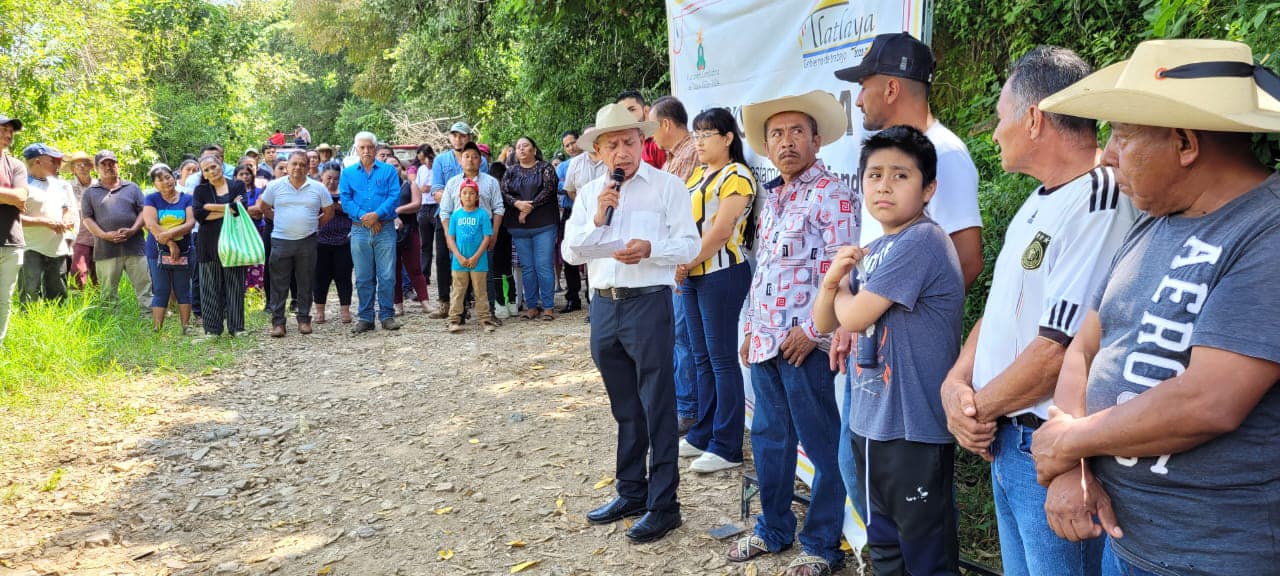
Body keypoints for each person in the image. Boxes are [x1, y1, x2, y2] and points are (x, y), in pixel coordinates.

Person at [1025, 39, 1280, 576]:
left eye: (1121, 133)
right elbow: (1086, 345)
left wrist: (1070, 441)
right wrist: (1072, 464)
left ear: (1186, 143)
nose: (1108, 153)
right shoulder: (1152, 218)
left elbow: (1210, 400)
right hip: (1131, 544)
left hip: (1218, 557)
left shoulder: (1267, 233)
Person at [941, 46, 1139, 576]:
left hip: (1048, 451)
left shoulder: (1099, 200)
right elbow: (1002, 308)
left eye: (1002, 119)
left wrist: (975, 410)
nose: (995, 132)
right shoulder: (1039, 199)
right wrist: (957, 382)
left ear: (1033, 118)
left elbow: (1062, 350)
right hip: (1008, 441)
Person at [812, 125, 965, 576]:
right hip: (872, 424)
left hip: (913, 427)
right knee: (886, 548)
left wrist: (838, 289)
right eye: (874, 174)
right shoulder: (876, 247)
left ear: (928, 188)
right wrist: (832, 285)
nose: (884, 185)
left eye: (901, 175)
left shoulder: (923, 241)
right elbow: (825, 323)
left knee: (925, 556)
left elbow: (853, 317)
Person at [730, 91, 856, 576]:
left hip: (805, 345)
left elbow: (842, 273)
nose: (787, 142)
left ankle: (822, 544)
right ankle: (773, 528)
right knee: (768, 441)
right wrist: (750, 327)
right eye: (777, 134)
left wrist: (812, 331)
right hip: (764, 342)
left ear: (817, 139)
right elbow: (767, 272)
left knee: (824, 446)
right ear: (766, 145)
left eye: (797, 132)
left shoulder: (833, 194)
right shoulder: (773, 195)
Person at [563, 102, 699, 544]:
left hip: (648, 304)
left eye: (629, 142)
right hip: (604, 307)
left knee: (658, 406)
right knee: (626, 408)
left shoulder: (667, 187)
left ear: (643, 142)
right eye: (612, 145)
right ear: (598, 151)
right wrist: (600, 217)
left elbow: (688, 246)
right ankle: (631, 492)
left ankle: (665, 506)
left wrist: (650, 250)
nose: (621, 152)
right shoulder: (589, 196)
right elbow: (570, 252)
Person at [834, 32, 983, 287]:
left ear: (891, 89)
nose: (858, 100)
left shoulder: (944, 153)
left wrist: (910, 322)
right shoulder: (884, 152)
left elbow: (967, 260)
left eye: (863, 85)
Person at [671, 108, 755, 474]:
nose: (699, 141)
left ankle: (727, 444)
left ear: (728, 138)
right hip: (693, 273)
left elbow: (721, 231)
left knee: (721, 361)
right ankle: (703, 433)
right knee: (701, 357)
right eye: (697, 134)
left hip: (721, 272)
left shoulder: (736, 176)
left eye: (707, 134)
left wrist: (686, 261)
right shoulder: (697, 175)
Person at [649, 95, 700, 434]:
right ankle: (684, 404)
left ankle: (688, 408)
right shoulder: (672, 159)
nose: (651, 136)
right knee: (679, 336)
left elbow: (690, 216)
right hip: (675, 259)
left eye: (653, 127)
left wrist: (680, 260)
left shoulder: (692, 155)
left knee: (683, 336)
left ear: (666, 124)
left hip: (687, 259)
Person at [256, 152, 333, 337]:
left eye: (302, 164)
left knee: (305, 281)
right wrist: (280, 219)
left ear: (308, 167)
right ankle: (278, 322)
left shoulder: (318, 188)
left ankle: (304, 319)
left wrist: (313, 225)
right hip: (281, 240)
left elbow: (329, 212)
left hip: (307, 240)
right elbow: (264, 207)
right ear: (288, 166)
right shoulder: (275, 186)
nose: (298, 167)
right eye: (294, 164)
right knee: (278, 283)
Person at [340, 131, 402, 333]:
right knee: (363, 276)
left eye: (370, 147)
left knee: (387, 275)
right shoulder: (348, 173)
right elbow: (346, 200)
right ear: (356, 149)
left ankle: (387, 315)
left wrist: (377, 214)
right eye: (362, 147)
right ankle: (365, 317)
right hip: (359, 230)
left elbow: (394, 196)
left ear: (375, 149)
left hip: (384, 229)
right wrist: (365, 218)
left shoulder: (388, 171)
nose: (366, 151)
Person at [439, 142, 505, 320]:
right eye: (466, 156)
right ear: (460, 160)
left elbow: (498, 208)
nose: (471, 160)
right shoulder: (452, 183)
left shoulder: (490, 182)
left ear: (481, 160)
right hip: (459, 237)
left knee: (486, 274)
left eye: (475, 156)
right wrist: (448, 234)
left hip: (484, 236)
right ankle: (459, 313)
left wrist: (495, 232)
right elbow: (445, 211)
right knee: (460, 277)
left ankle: (488, 313)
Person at [429, 122, 489, 315]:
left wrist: (465, 201)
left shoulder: (481, 161)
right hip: (447, 216)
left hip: (473, 218)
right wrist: (455, 197)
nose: (458, 139)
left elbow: (483, 188)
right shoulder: (440, 160)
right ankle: (445, 301)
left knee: (471, 257)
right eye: (454, 135)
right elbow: (436, 190)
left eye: (462, 136)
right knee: (444, 260)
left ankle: (467, 302)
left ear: (469, 138)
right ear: (449, 137)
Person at [82, 150, 151, 307]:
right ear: (96, 168)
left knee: (145, 287)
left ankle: (149, 319)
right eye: (104, 164)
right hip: (106, 249)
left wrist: (133, 229)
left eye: (112, 163)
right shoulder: (90, 193)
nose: (108, 167)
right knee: (108, 292)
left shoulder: (132, 187)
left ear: (117, 165)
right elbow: (87, 218)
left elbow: (143, 211)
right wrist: (104, 235)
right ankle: (111, 323)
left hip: (135, 246)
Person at [502, 136, 560, 320]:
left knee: (543, 265)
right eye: (518, 147)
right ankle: (532, 306)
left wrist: (529, 207)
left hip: (544, 224)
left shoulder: (546, 168)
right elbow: (503, 192)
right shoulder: (510, 171)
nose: (521, 149)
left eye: (525, 145)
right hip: (519, 228)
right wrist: (517, 204)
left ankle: (549, 307)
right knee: (527, 268)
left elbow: (549, 189)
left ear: (534, 150)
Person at [192, 155, 250, 338]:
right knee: (209, 287)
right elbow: (199, 215)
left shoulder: (237, 185)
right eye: (206, 169)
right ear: (204, 173)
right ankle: (212, 330)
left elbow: (241, 210)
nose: (211, 171)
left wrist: (212, 207)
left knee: (235, 286)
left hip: (234, 242)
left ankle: (237, 328)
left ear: (221, 166)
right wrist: (228, 207)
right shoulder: (200, 190)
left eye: (213, 167)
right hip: (208, 243)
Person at [141, 163, 195, 332]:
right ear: (154, 184)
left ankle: (186, 326)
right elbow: (150, 223)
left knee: (183, 288)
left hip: (185, 249)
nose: (165, 182)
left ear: (174, 177)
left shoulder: (187, 198)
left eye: (168, 177)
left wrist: (167, 235)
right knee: (161, 288)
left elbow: (190, 223)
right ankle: (157, 328)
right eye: (160, 180)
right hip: (157, 250)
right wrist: (170, 242)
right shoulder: (151, 199)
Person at [18, 144, 75, 302]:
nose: (57, 165)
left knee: (58, 292)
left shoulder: (59, 185)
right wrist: (44, 222)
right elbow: (14, 218)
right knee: (30, 291)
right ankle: (29, 325)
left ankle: (57, 323)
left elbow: (66, 209)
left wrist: (67, 219)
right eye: (52, 161)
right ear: (37, 162)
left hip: (57, 247)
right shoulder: (21, 185)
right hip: (31, 246)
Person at [445, 178, 496, 333]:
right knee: (458, 291)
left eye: (471, 193)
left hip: (478, 261)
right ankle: (454, 320)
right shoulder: (455, 216)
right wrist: (459, 256)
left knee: (480, 291)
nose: (468, 196)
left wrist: (475, 257)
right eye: (465, 193)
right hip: (459, 261)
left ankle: (485, 320)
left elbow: (487, 237)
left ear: (477, 197)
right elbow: (451, 238)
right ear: (460, 196)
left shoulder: (482, 215)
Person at [387, 155, 430, 315]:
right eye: (389, 166)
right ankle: (398, 304)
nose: (394, 169)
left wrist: (397, 211)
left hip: (409, 229)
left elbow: (417, 204)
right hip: (388, 232)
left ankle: (425, 301)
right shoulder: (381, 188)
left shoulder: (410, 184)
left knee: (415, 268)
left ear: (401, 167)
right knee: (394, 269)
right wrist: (392, 215)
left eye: (396, 165)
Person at [313, 163, 353, 324]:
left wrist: (337, 207)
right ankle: (319, 312)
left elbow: (352, 211)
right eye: (329, 178)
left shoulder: (345, 193)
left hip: (343, 241)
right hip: (320, 240)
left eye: (336, 178)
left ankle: (345, 311)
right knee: (320, 277)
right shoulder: (315, 193)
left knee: (343, 277)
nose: (332, 181)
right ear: (322, 177)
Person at [0, 114, 24, 345]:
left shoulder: (16, 165)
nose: (8, 135)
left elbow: (21, 196)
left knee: (4, 300)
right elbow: (13, 197)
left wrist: (12, 197)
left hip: (11, 241)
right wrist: (10, 197)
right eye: (3, 130)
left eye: (11, 132)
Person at [556, 130, 585, 313]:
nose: (571, 147)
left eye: (573, 142)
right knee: (569, 254)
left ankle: (593, 296)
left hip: (591, 211)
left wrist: (569, 185)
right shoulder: (563, 166)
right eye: (567, 145)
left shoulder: (592, 159)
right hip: (570, 212)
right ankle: (573, 297)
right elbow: (556, 185)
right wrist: (569, 186)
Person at [66, 151, 98, 287]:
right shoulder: (68, 187)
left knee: (100, 275)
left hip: (99, 236)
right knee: (79, 272)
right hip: (79, 237)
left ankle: (103, 304)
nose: (82, 167)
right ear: (73, 169)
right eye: (78, 165)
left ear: (91, 167)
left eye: (85, 164)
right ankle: (78, 303)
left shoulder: (99, 186)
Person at [616, 90, 667, 169]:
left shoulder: (657, 142)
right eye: (622, 112)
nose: (627, 115)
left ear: (646, 110)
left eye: (631, 110)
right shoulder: (616, 146)